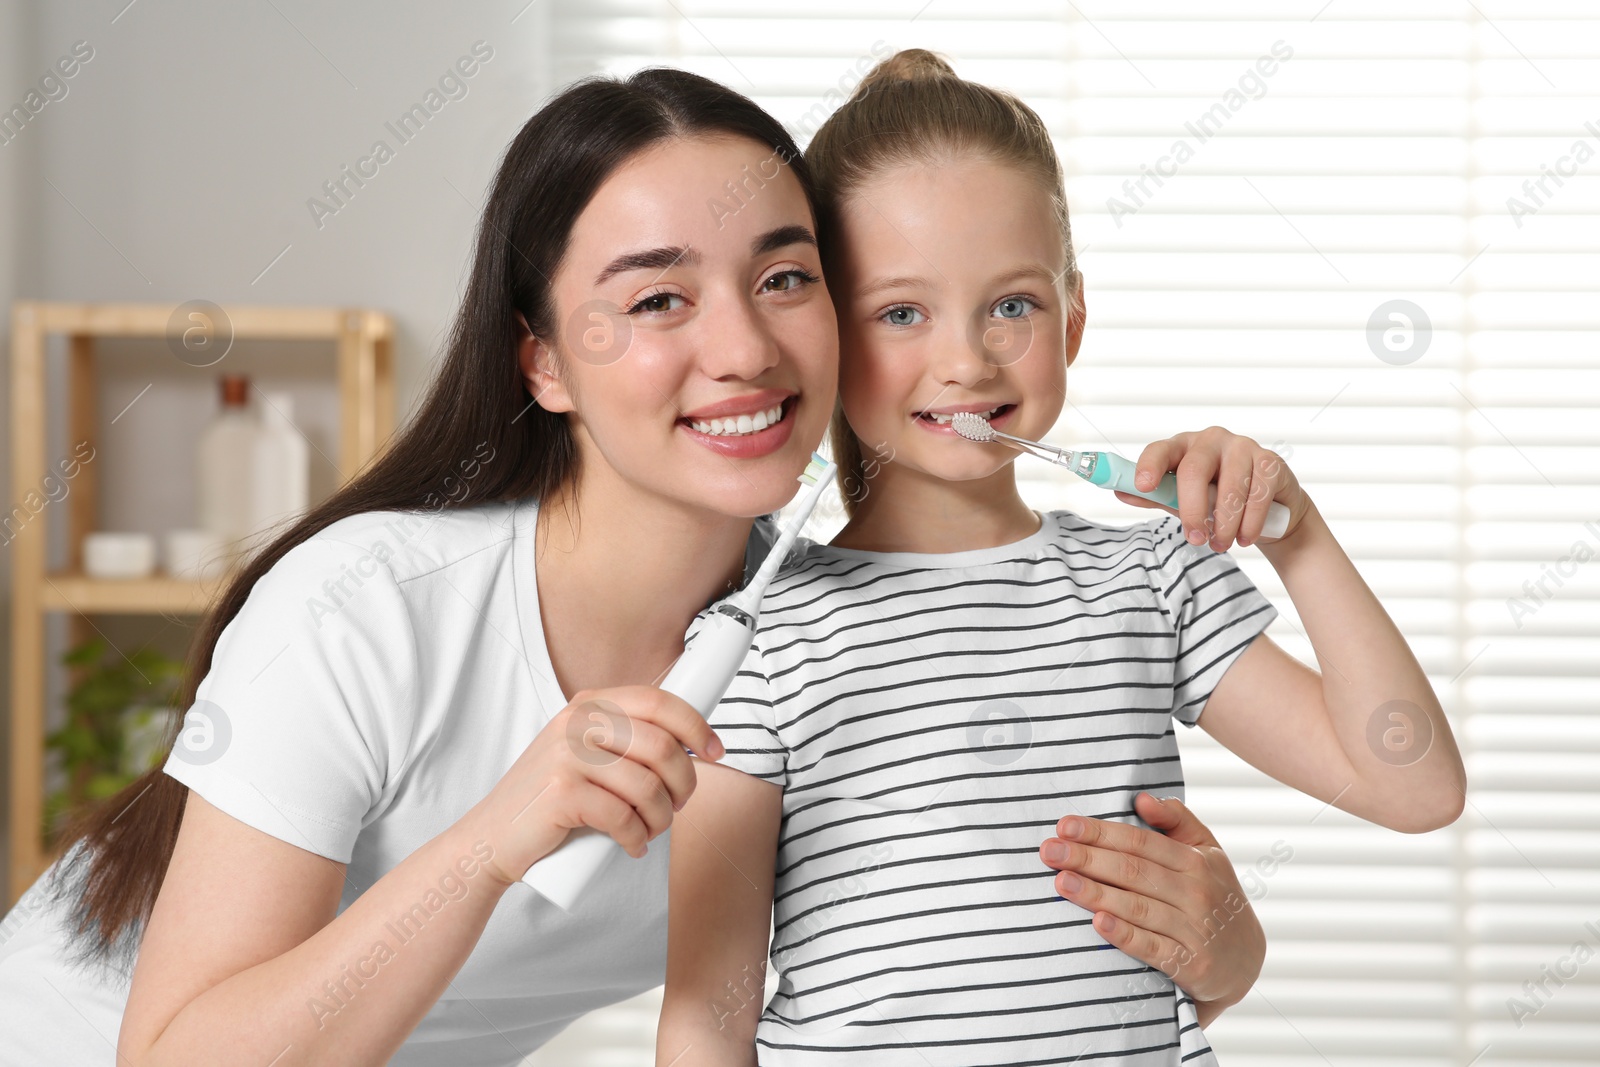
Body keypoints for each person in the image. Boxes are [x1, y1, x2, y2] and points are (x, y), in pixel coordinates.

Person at [0, 67, 1263, 1067]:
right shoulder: (364, 606)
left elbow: (982, 980)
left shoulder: (820, 646)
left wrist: (1221, 952)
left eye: (783, 276)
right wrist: (493, 838)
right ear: (543, 361)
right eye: (657, 299)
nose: (743, 347)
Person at [657, 50, 1466, 1066]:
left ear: (1071, 318)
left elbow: (1413, 786)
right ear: (824, 336)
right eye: (901, 312)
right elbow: (705, 1017)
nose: (967, 359)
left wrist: (1293, 532)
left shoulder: (1152, 583)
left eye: (1011, 305)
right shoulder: (760, 638)